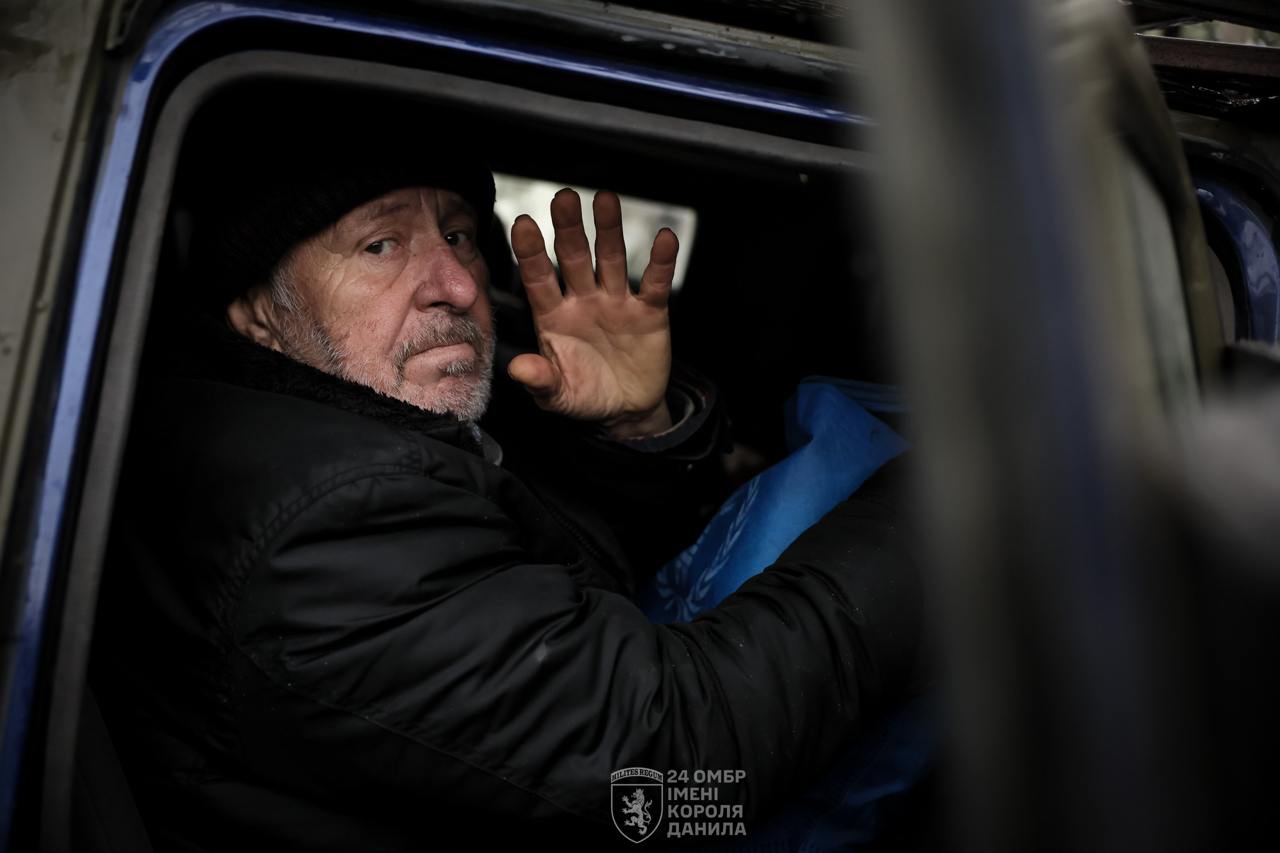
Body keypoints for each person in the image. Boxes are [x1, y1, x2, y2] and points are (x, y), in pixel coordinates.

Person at [94, 124, 925, 851]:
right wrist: (950, 513)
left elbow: (551, 582)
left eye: (458, 234)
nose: (458, 284)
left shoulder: (366, 421)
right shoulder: (324, 520)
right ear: (259, 313)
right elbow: (672, 782)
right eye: (381, 245)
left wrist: (632, 433)